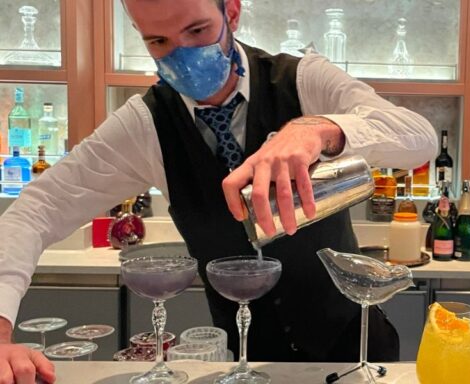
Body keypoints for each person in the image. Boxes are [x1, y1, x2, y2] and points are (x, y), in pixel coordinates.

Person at [0, 0, 437, 382]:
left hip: (354, 354)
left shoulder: (303, 81)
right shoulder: (144, 124)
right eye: (158, 41)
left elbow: (418, 137)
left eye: (196, 31)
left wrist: (317, 129)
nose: (182, 54)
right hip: (243, 364)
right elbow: (36, 209)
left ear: (231, 11)